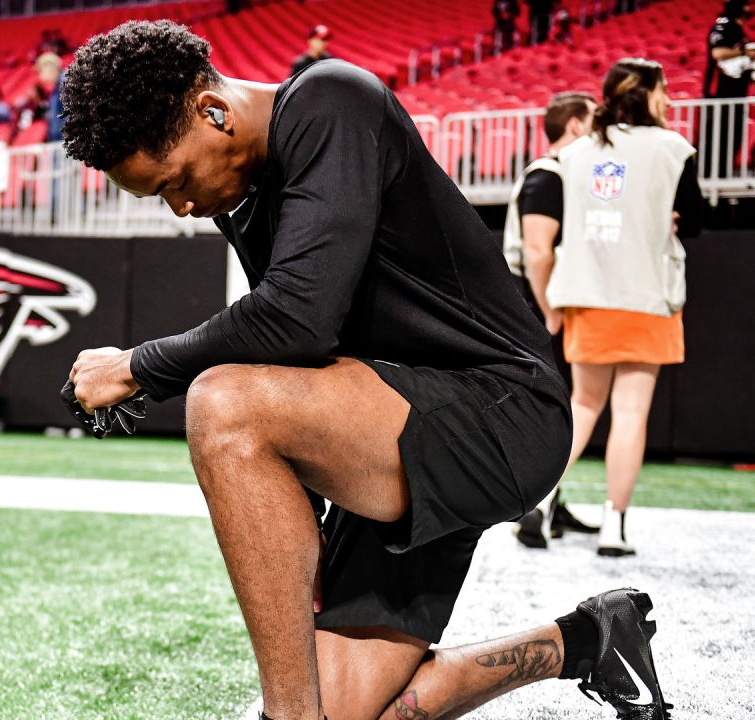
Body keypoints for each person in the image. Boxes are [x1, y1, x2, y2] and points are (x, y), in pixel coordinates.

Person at [61, 21, 671, 720]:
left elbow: (295, 318)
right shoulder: (242, 190)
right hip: (395, 434)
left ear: (214, 113)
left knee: (220, 403)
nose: (183, 208)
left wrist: (138, 366)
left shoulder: (330, 99)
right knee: (350, 709)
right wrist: (306, 526)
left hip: (501, 414)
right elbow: (302, 360)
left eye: (174, 183)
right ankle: (589, 641)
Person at [549, 58, 703, 557]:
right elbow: (695, 219)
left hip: (588, 293)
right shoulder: (673, 149)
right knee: (631, 412)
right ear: (651, 95)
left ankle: (540, 501)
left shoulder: (574, 154)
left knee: (583, 405)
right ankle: (614, 526)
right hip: (645, 295)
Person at [502, 91, 601, 549]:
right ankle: (535, 505)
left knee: (561, 410)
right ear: (577, 126)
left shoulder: (559, 174)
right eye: (593, 119)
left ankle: (550, 503)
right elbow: (538, 251)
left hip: (543, 300)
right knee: (557, 410)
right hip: (537, 303)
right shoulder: (549, 174)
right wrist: (549, 311)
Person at [703, 0, 755, 178]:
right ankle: (710, 175)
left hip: (737, 94)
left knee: (733, 137)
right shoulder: (722, 26)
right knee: (717, 137)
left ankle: (723, 173)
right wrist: (745, 53)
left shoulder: (740, 31)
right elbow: (717, 53)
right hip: (719, 95)